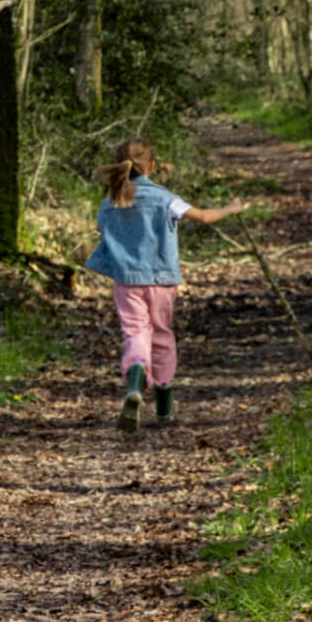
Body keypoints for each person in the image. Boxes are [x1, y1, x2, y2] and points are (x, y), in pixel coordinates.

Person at [83, 138, 245, 432]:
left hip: (127, 281)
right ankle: (163, 409)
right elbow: (205, 217)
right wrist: (232, 208)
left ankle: (134, 384)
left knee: (135, 332)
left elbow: (102, 229)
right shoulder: (165, 199)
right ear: (152, 166)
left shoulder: (110, 202)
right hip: (161, 281)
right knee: (161, 336)